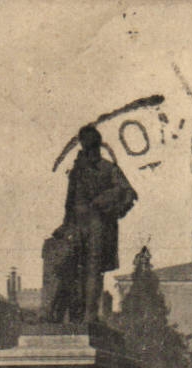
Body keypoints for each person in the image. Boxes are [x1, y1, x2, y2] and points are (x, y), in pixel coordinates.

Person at [47, 124, 137, 324]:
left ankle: (90, 314)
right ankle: (59, 314)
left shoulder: (108, 168)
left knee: (93, 269)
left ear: (96, 143)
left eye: (88, 142)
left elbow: (129, 193)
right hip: (76, 224)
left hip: (98, 223)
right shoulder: (77, 170)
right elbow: (69, 202)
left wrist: (108, 204)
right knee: (67, 267)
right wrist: (65, 225)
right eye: (83, 142)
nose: (85, 146)